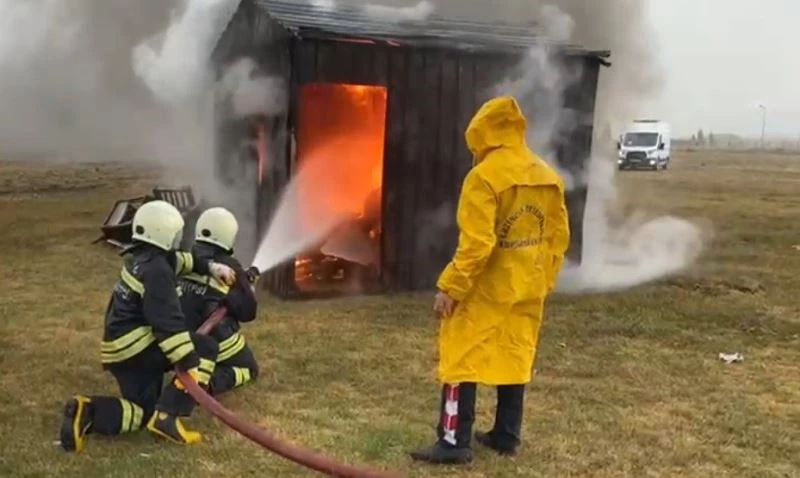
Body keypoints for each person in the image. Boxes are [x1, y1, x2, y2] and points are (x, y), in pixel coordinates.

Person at [410, 96, 571, 464]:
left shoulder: (483, 177)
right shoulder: (547, 175)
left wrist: (451, 287)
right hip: (527, 285)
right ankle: (506, 434)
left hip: (486, 288)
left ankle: (453, 442)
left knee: (458, 357)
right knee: (515, 354)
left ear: (481, 132)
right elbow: (558, 239)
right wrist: (545, 280)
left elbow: (478, 245)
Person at [59, 200, 238, 453]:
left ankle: (87, 411)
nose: (178, 239)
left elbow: (182, 260)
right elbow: (167, 322)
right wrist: (189, 364)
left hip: (122, 352)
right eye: (175, 233)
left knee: (143, 413)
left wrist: (211, 267)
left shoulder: (143, 259)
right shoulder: (157, 273)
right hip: (138, 349)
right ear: (164, 234)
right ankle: (169, 419)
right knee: (205, 346)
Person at [177, 207, 260, 398]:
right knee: (249, 369)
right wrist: (248, 290)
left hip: (180, 339)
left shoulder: (188, 258)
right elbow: (248, 312)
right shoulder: (230, 265)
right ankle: (209, 384)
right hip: (212, 338)